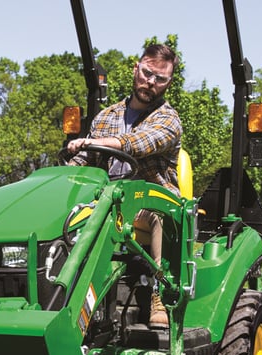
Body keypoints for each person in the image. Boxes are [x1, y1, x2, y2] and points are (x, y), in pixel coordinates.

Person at [66, 43, 182, 325]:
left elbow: (137, 144)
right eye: (146, 73)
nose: (150, 82)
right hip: (107, 200)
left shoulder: (168, 119)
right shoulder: (105, 117)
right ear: (136, 69)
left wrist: (94, 142)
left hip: (150, 201)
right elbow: (83, 164)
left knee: (156, 215)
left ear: (168, 83)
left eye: (160, 79)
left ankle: (159, 292)